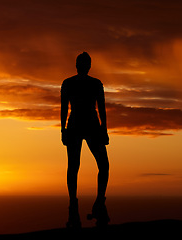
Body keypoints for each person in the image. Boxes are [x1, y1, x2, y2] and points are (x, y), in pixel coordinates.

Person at [60, 52, 110, 228]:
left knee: (75, 166)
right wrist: (104, 130)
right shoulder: (94, 84)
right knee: (98, 165)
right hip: (88, 124)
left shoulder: (69, 83)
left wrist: (63, 130)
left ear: (77, 65)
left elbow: (64, 108)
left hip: (77, 124)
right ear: (88, 66)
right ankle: (91, 203)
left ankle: (78, 204)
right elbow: (101, 108)